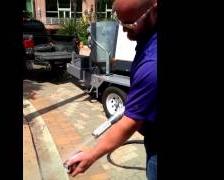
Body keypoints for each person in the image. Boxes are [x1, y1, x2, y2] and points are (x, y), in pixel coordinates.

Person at [65, 0, 158, 179]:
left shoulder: (152, 67)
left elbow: (129, 123)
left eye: (130, 24)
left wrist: (91, 156)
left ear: (154, 9)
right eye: (120, 22)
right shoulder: (149, 32)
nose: (123, 30)